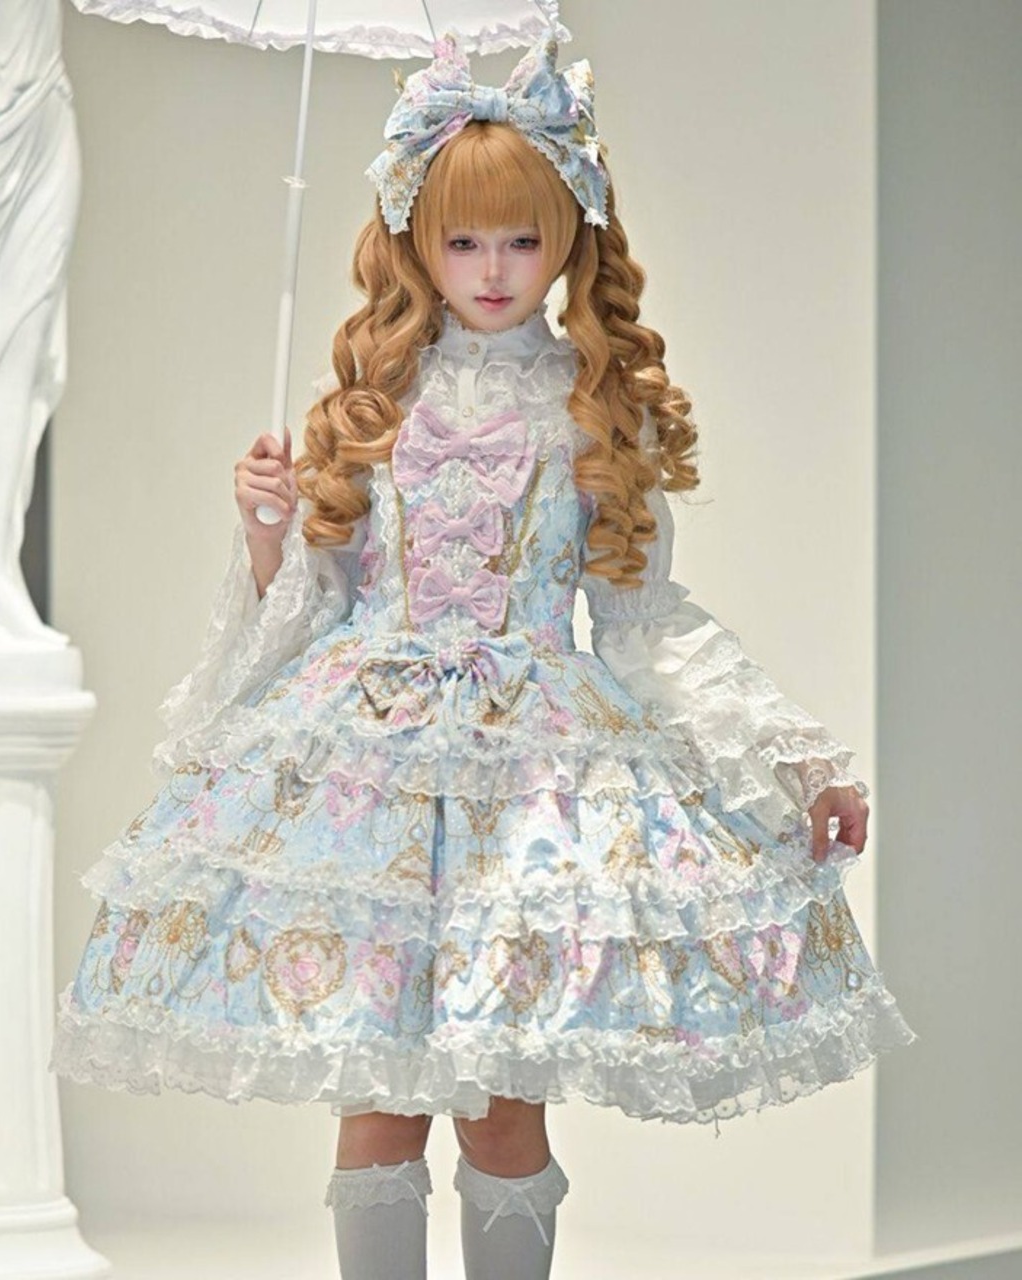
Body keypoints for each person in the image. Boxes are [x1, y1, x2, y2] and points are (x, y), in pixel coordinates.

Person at [50, 33, 917, 1280]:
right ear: (415, 243)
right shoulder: (371, 404)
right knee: (378, 1096)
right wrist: (265, 527)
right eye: (463, 242)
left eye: (521, 239)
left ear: (567, 241)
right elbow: (306, 610)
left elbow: (642, 621)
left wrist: (792, 757)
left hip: (534, 792)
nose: (494, 269)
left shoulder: (592, 406)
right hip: (370, 784)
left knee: (502, 1102)